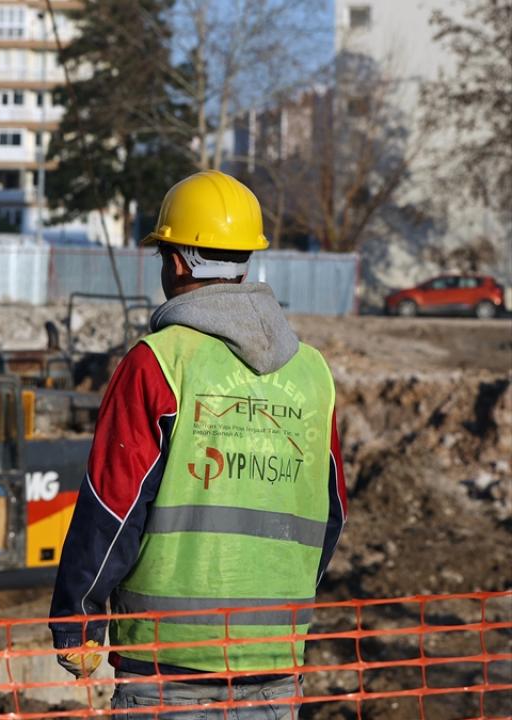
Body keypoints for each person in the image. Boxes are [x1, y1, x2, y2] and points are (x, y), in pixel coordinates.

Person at [49, 170, 348, 718]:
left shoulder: (158, 362)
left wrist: (78, 620)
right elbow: (331, 515)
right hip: (273, 665)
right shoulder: (314, 374)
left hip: (167, 669)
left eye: (164, 254)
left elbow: (113, 505)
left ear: (180, 261)